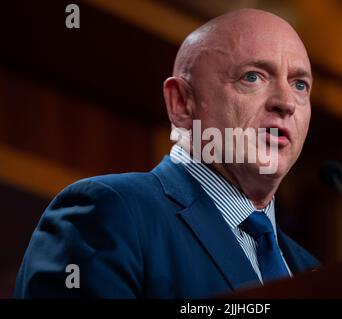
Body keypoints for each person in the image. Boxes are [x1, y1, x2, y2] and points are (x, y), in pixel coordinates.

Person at [14, 8, 320, 298]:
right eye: (252, 77)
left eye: (299, 84)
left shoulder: (312, 271)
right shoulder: (108, 214)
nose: (286, 102)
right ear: (181, 103)